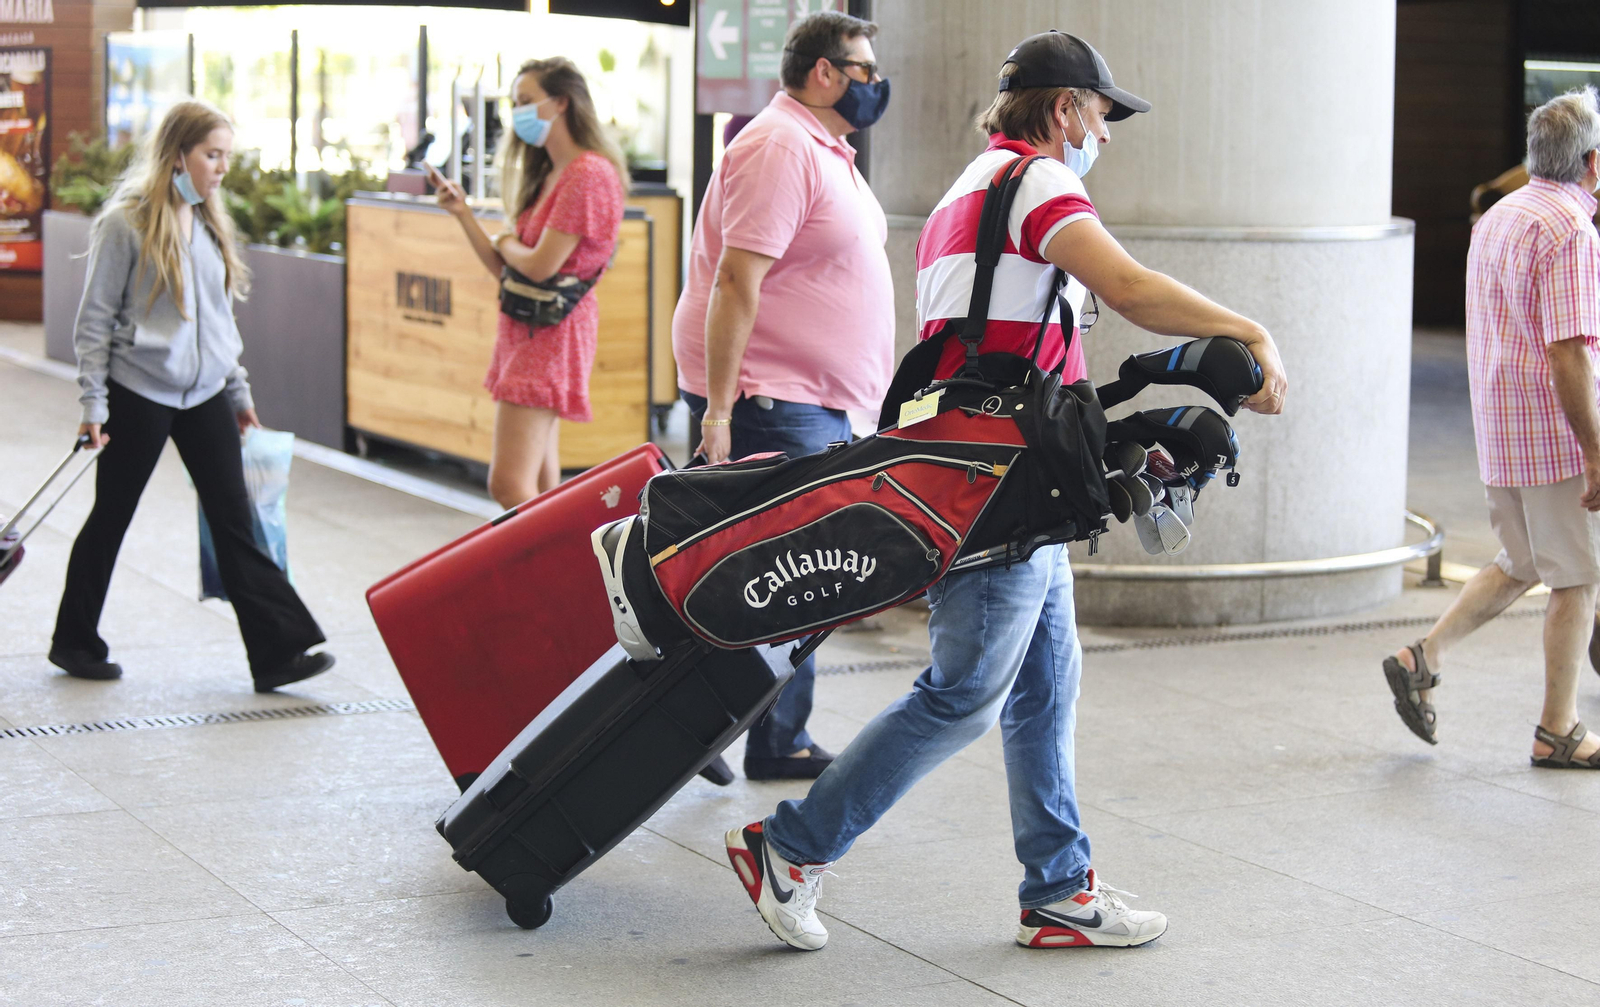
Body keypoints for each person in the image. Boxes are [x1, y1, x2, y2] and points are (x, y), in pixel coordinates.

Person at [724, 30, 1288, 951]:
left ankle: (1060, 886)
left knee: (1046, 682)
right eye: (1101, 115)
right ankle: (791, 846)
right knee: (966, 692)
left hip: (998, 464)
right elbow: (1131, 286)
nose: (1104, 134)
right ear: (1065, 109)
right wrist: (1252, 328)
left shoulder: (971, 184)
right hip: (995, 478)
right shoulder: (1036, 181)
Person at [672, 10, 895, 782]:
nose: (876, 82)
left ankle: (739, 729)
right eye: (865, 69)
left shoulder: (820, 146)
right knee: (793, 577)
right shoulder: (777, 146)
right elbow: (738, 280)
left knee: (789, 577)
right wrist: (722, 409)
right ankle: (712, 723)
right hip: (774, 396)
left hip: (806, 398)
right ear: (825, 72)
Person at [53, 99, 334, 693]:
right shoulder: (124, 223)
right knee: (112, 516)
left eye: (226, 156)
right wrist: (93, 407)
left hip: (206, 391)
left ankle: (278, 653)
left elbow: (218, 320)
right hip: (140, 390)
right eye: (212, 155)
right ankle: (75, 642)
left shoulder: (207, 221)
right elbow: (94, 322)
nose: (221, 168)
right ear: (177, 154)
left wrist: (238, 392)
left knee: (236, 520)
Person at [1383, 87, 1600, 769]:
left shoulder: (1501, 216)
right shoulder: (1571, 230)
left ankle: (1423, 656)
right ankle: (1557, 728)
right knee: (1575, 578)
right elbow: (1569, 350)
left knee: (1522, 563)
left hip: (1503, 429)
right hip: (1555, 434)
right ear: (1592, 161)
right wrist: (1595, 450)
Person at [431, 57, 627, 508]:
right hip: (531, 328)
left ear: (561, 103)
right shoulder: (552, 173)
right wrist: (464, 216)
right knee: (539, 482)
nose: (516, 112)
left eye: (525, 101)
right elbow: (510, 272)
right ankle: (557, 572)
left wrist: (505, 240)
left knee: (508, 484)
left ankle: (555, 572)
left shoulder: (587, 174)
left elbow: (538, 266)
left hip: (550, 335)